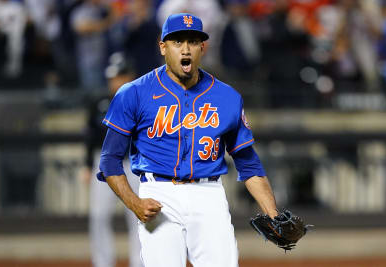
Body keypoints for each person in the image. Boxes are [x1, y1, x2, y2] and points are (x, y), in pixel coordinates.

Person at [97, 13, 278, 267]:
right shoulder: (134, 93)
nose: (185, 49)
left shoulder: (227, 97)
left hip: (209, 194)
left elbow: (249, 164)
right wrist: (134, 202)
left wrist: (272, 213)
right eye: (177, 42)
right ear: (163, 47)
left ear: (203, 47)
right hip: (158, 193)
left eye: (193, 42)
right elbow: (109, 160)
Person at [83, 52, 142, 267]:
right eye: (113, 77)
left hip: (133, 163)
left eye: (119, 76)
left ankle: (140, 262)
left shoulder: (141, 101)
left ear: (130, 76)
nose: (115, 81)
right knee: (98, 215)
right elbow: (89, 136)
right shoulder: (99, 101)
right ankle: (102, 262)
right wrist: (86, 165)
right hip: (104, 163)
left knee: (137, 215)